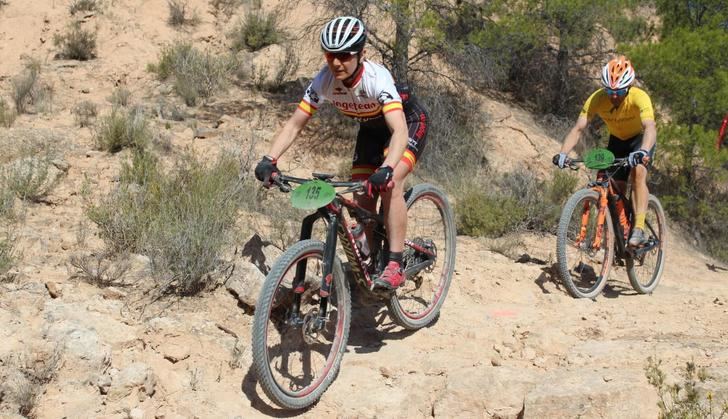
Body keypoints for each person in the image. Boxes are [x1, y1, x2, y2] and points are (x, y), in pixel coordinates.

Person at [254, 16, 429, 290]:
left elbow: (399, 132)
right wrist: (269, 159)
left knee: (391, 184)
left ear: (362, 54)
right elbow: (294, 124)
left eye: (345, 55)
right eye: (330, 55)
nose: (336, 63)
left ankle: (395, 264)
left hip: (406, 124)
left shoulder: (376, 79)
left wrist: (387, 169)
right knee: (361, 194)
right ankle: (370, 257)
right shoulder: (324, 81)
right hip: (371, 130)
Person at [553, 55, 657, 247]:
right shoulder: (597, 99)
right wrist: (563, 154)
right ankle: (621, 229)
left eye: (620, 91)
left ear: (629, 87)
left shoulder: (639, 97)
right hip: (617, 141)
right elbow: (578, 128)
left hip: (639, 141)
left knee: (638, 173)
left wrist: (643, 151)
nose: (614, 95)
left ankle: (639, 228)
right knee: (614, 186)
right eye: (610, 90)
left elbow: (650, 127)